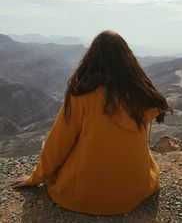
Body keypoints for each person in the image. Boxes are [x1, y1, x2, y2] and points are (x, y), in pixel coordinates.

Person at [11, 30, 171, 215]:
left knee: (51, 145)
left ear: (92, 58)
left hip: (83, 197)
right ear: (127, 59)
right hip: (135, 191)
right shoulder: (141, 94)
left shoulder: (82, 94)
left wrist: (36, 177)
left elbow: (59, 144)